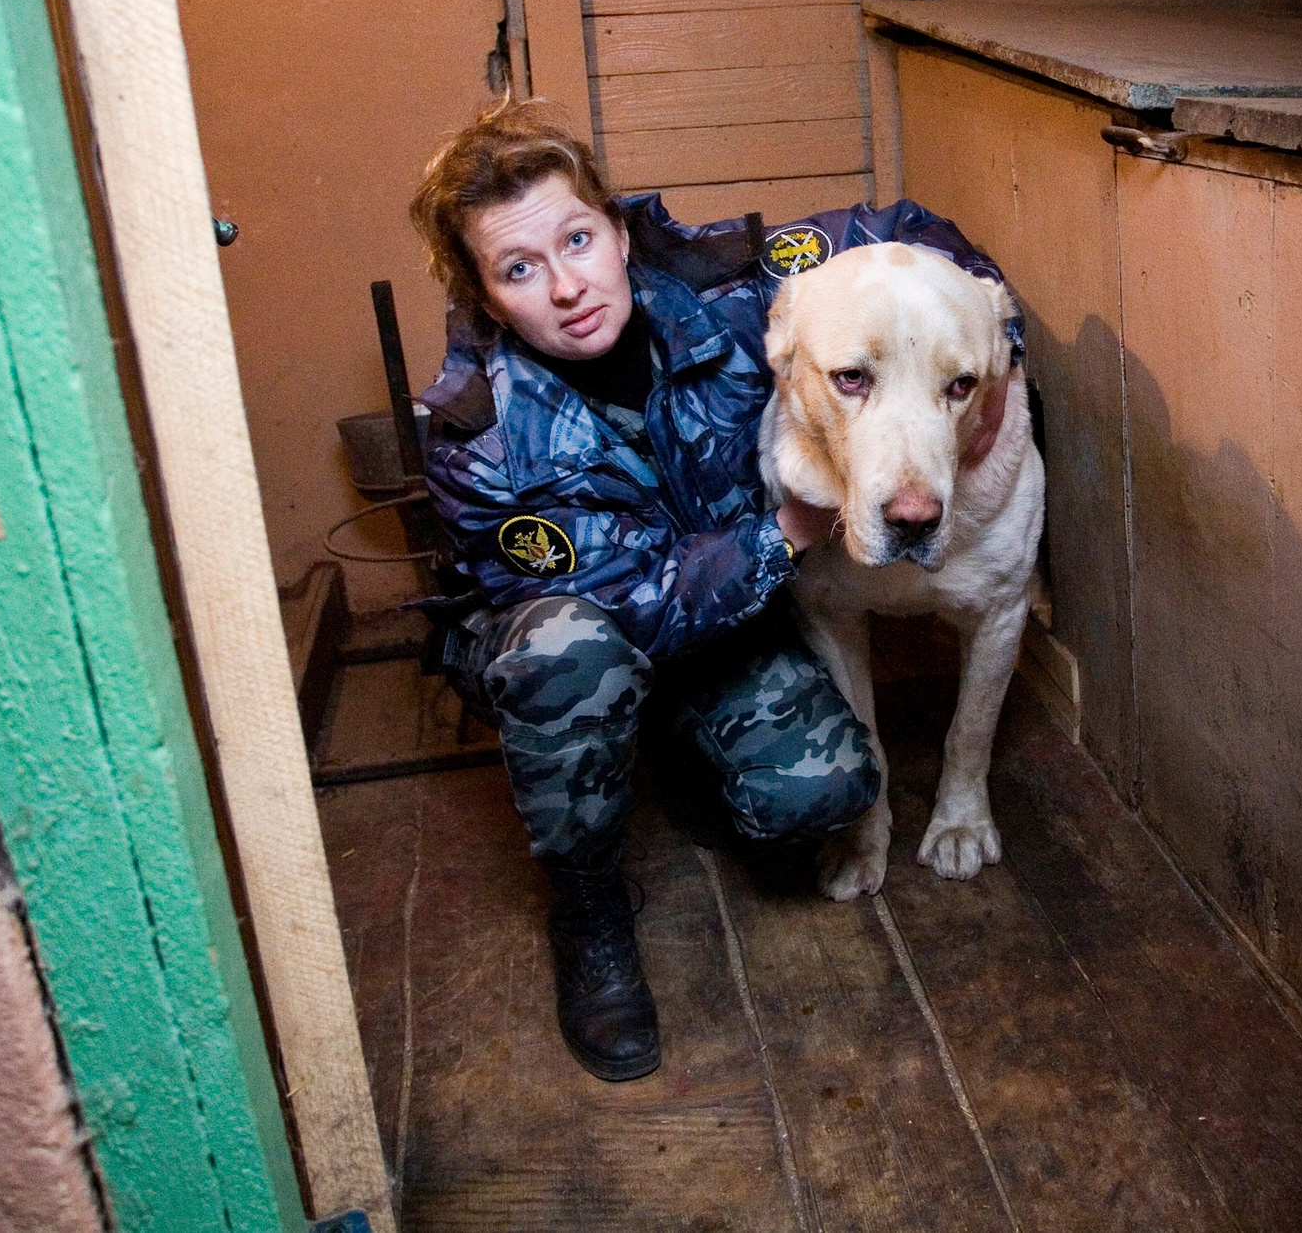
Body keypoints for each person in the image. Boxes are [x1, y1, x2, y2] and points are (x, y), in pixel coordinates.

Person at [405, 100, 1013, 1081]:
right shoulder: (479, 441)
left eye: (577, 238)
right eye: (520, 268)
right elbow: (632, 601)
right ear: (481, 293)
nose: (567, 286)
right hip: (588, 641)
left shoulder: (731, 284)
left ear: (613, 226)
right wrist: (788, 531)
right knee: (572, 649)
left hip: (727, 624)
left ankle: (687, 742)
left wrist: (997, 339)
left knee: (820, 792)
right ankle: (589, 905)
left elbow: (910, 236)